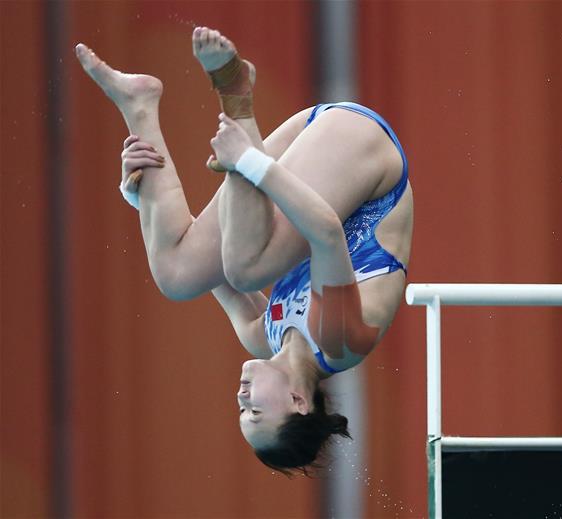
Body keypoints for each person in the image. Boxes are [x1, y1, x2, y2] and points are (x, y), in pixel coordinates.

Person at [74, 26, 413, 475]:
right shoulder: (341, 341)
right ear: (298, 401)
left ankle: (139, 106)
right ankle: (236, 97)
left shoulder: (262, 334)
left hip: (315, 151)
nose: (241, 399)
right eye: (255, 412)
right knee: (247, 268)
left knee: (178, 275)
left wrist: (141, 198)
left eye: (241, 413)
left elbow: (208, 262)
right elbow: (328, 234)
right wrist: (247, 161)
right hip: (363, 150)